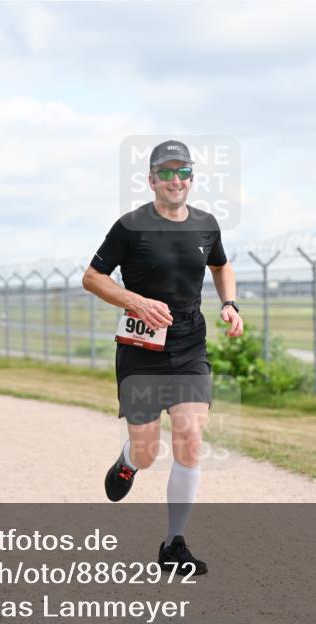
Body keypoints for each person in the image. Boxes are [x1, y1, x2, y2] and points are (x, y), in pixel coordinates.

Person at [82, 140, 244, 576]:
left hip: (190, 344)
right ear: (151, 179)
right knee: (149, 450)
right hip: (141, 349)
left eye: (183, 171)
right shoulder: (130, 227)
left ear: (192, 178)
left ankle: (174, 543)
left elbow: (221, 264)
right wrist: (135, 301)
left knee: (191, 436)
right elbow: (92, 277)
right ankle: (130, 461)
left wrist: (229, 303)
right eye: (166, 172)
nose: (175, 180)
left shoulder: (207, 225)